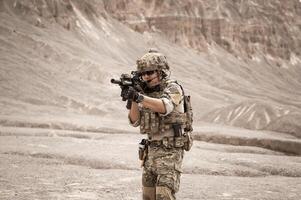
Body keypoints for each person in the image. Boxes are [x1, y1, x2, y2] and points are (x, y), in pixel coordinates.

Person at [121, 49, 192, 200]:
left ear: (161, 71)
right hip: (150, 151)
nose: (146, 77)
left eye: (150, 72)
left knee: (163, 196)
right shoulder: (144, 93)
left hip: (170, 151)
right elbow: (134, 121)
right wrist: (133, 97)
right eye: (143, 74)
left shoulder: (173, 88)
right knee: (148, 197)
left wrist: (139, 96)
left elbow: (165, 107)